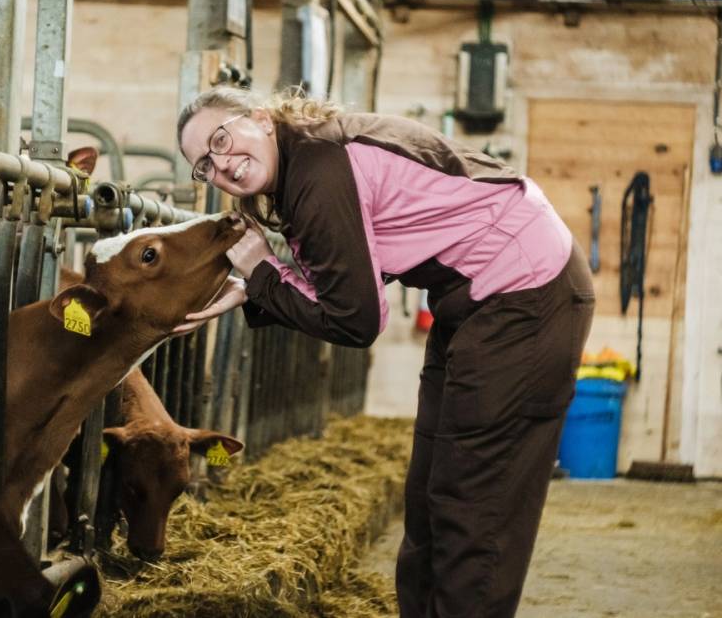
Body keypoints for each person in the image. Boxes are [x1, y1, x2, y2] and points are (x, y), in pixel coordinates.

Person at [174, 86, 595, 618]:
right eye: (204, 165)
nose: (222, 165)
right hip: (479, 300)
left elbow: (356, 320)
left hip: (525, 297)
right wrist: (257, 284)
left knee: (474, 508)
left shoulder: (317, 168)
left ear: (259, 118)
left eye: (221, 139)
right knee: (429, 499)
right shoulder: (304, 160)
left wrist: (262, 276)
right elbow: (340, 283)